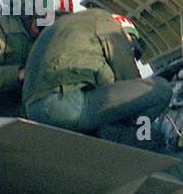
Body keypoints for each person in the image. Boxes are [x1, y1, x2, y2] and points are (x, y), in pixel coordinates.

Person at [22, 7, 172, 139]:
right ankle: (136, 138)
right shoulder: (110, 26)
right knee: (160, 89)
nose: (132, 55)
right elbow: (131, 82)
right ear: (125, 34)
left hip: (34, 108)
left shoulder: (75, 30)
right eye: (131, 49)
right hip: (67, 103)